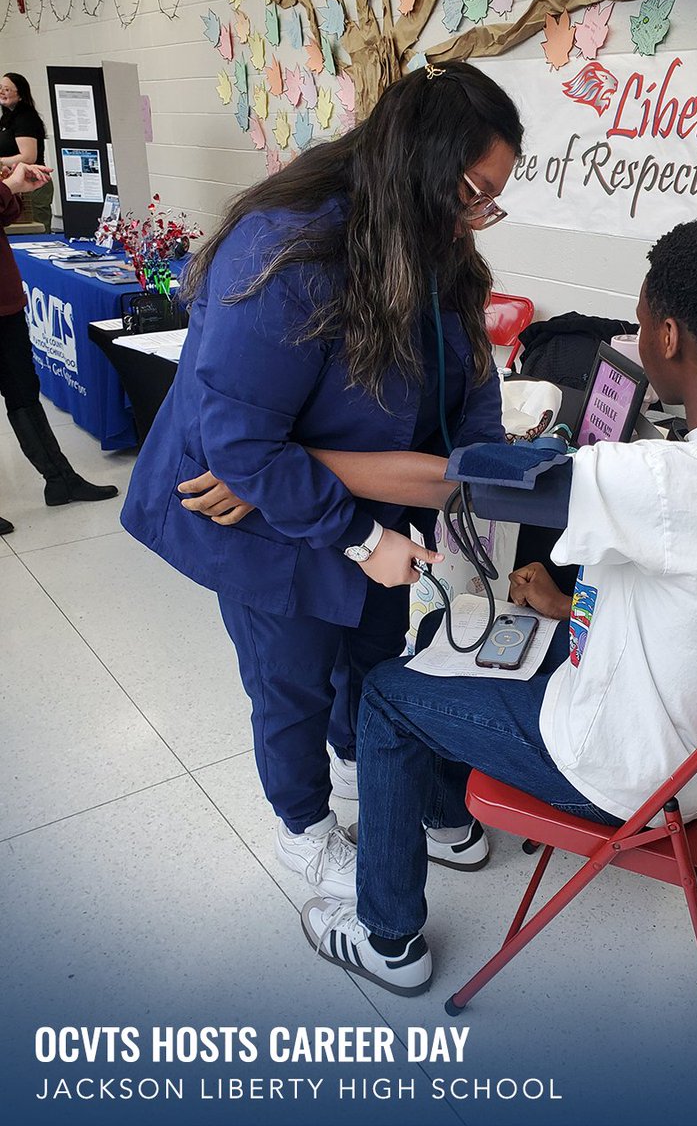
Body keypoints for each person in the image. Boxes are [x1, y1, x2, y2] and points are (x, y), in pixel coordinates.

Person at [283, 216, 697, 995]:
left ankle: (388, 939)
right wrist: (564, 600)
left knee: (384, 696)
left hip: (621, 770)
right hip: (696, 752)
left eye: (639, 322)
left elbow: (457, 482)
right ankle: (448, 826)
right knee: (454, 627)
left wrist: (283, 457)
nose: (638, 337)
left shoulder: (667, 482)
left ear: (669, 336)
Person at [120, 62, 522, 900]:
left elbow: (469, 380)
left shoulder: (436, 244)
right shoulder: (288, 248)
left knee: (375, 658)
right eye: (474, 191)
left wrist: (479, 474)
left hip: (354, 496)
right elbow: (239, 441)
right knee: (291, 681)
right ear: (423, 167)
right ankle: (303, 828)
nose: (479, 216)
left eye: (492, 197)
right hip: (259, 514)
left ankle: (365, 773)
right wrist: (364, 536)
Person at [0, 162, 118, 536]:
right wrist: (9, 187)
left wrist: (13, 186)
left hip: (4, 301)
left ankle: (60, 479)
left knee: (23, 393)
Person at [0, 74, 53, 232]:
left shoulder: (26, 118)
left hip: (33, 183)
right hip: (14, 183)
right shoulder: (6, 118)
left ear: (20, 94)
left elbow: (29, 157)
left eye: (7, 89)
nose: (2, 92)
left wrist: (1, 161)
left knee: (36, 231)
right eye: (0, 88)